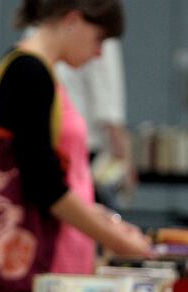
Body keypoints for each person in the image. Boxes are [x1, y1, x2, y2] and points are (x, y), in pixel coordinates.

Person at [0, 0, 152, 276]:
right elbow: (43, 186)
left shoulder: (42, 72)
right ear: (73, 20)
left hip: (52, 259)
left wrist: (100, 219)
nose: (99, 53)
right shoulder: (28, 73)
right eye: (99, 38)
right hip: (37, 263)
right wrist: (117, 241)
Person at [55, 37, 135, 211]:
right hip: (84, 152)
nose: (98, 52)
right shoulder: (101, 38)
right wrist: (125, 159)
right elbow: (109, 109)